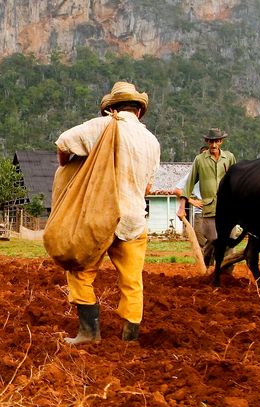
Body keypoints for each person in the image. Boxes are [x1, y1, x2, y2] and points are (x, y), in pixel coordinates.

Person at [55, 81, 161, 344]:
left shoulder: (103, 125)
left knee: (80, 270)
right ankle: (129, 337)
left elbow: (63, 143)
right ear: (139, 110)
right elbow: (148, 185)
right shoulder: (152, 141)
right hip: (135, 219)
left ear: (110, 108)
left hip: (101, 219)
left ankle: (89, 333)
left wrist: (70, 172)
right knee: (132, 279)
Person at [183, 128, 236, 268]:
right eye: (211, 142)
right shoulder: (200, 160)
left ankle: (226, 274)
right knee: (213, 241)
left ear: (221, 142)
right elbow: (189, 183)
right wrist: (183, 206)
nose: (213, 145)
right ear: (207, 141)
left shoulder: (229, 157)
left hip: (228, 208)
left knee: (230, 242)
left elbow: (237, 180)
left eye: (216, 141)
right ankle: (206, 270)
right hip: (209, 208)